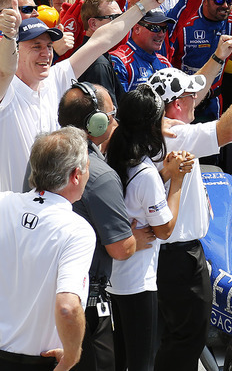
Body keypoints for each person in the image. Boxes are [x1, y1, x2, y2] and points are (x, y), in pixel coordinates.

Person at [147, 55, 232, 371]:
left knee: (171, 336)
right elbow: (230, 129)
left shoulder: (157, 129)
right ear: (176, 104)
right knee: (186, 338)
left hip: (165, 255)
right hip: (176, 258)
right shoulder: (175, 134)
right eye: (191, 96)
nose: (197, 101)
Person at [0, 0, 165, 192]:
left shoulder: (56, 78)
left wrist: (143, 7)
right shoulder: (6, 89)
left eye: (50, 46)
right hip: (10, 217)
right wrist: (8, 36)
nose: (46, 53)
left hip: (50, 212)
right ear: (17, 50)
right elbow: (5, 69)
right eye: (36, 46)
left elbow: (102, 40)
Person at [57, 83, 151, 371]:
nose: (115, 119)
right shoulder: (99, 174)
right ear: (95, 123)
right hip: (84, 306)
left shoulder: (43, 153)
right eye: (110, 114)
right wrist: (133, 237)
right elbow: (121, 250)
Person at [105, 84, 193, 371]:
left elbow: (133, 197)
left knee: (120, 361)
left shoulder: (111, 156)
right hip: (136, 283)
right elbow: (165, 229)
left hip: (110, 278)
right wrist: (176, 181)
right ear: (153, 126)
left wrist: (163, 173)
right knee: (141, 363)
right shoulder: (144, 173)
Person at [0, 127, 95, 371]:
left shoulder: (3, 204)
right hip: (40, 361)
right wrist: (73, 356)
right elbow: (67, 307)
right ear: (76, 175)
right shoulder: (77, 230)